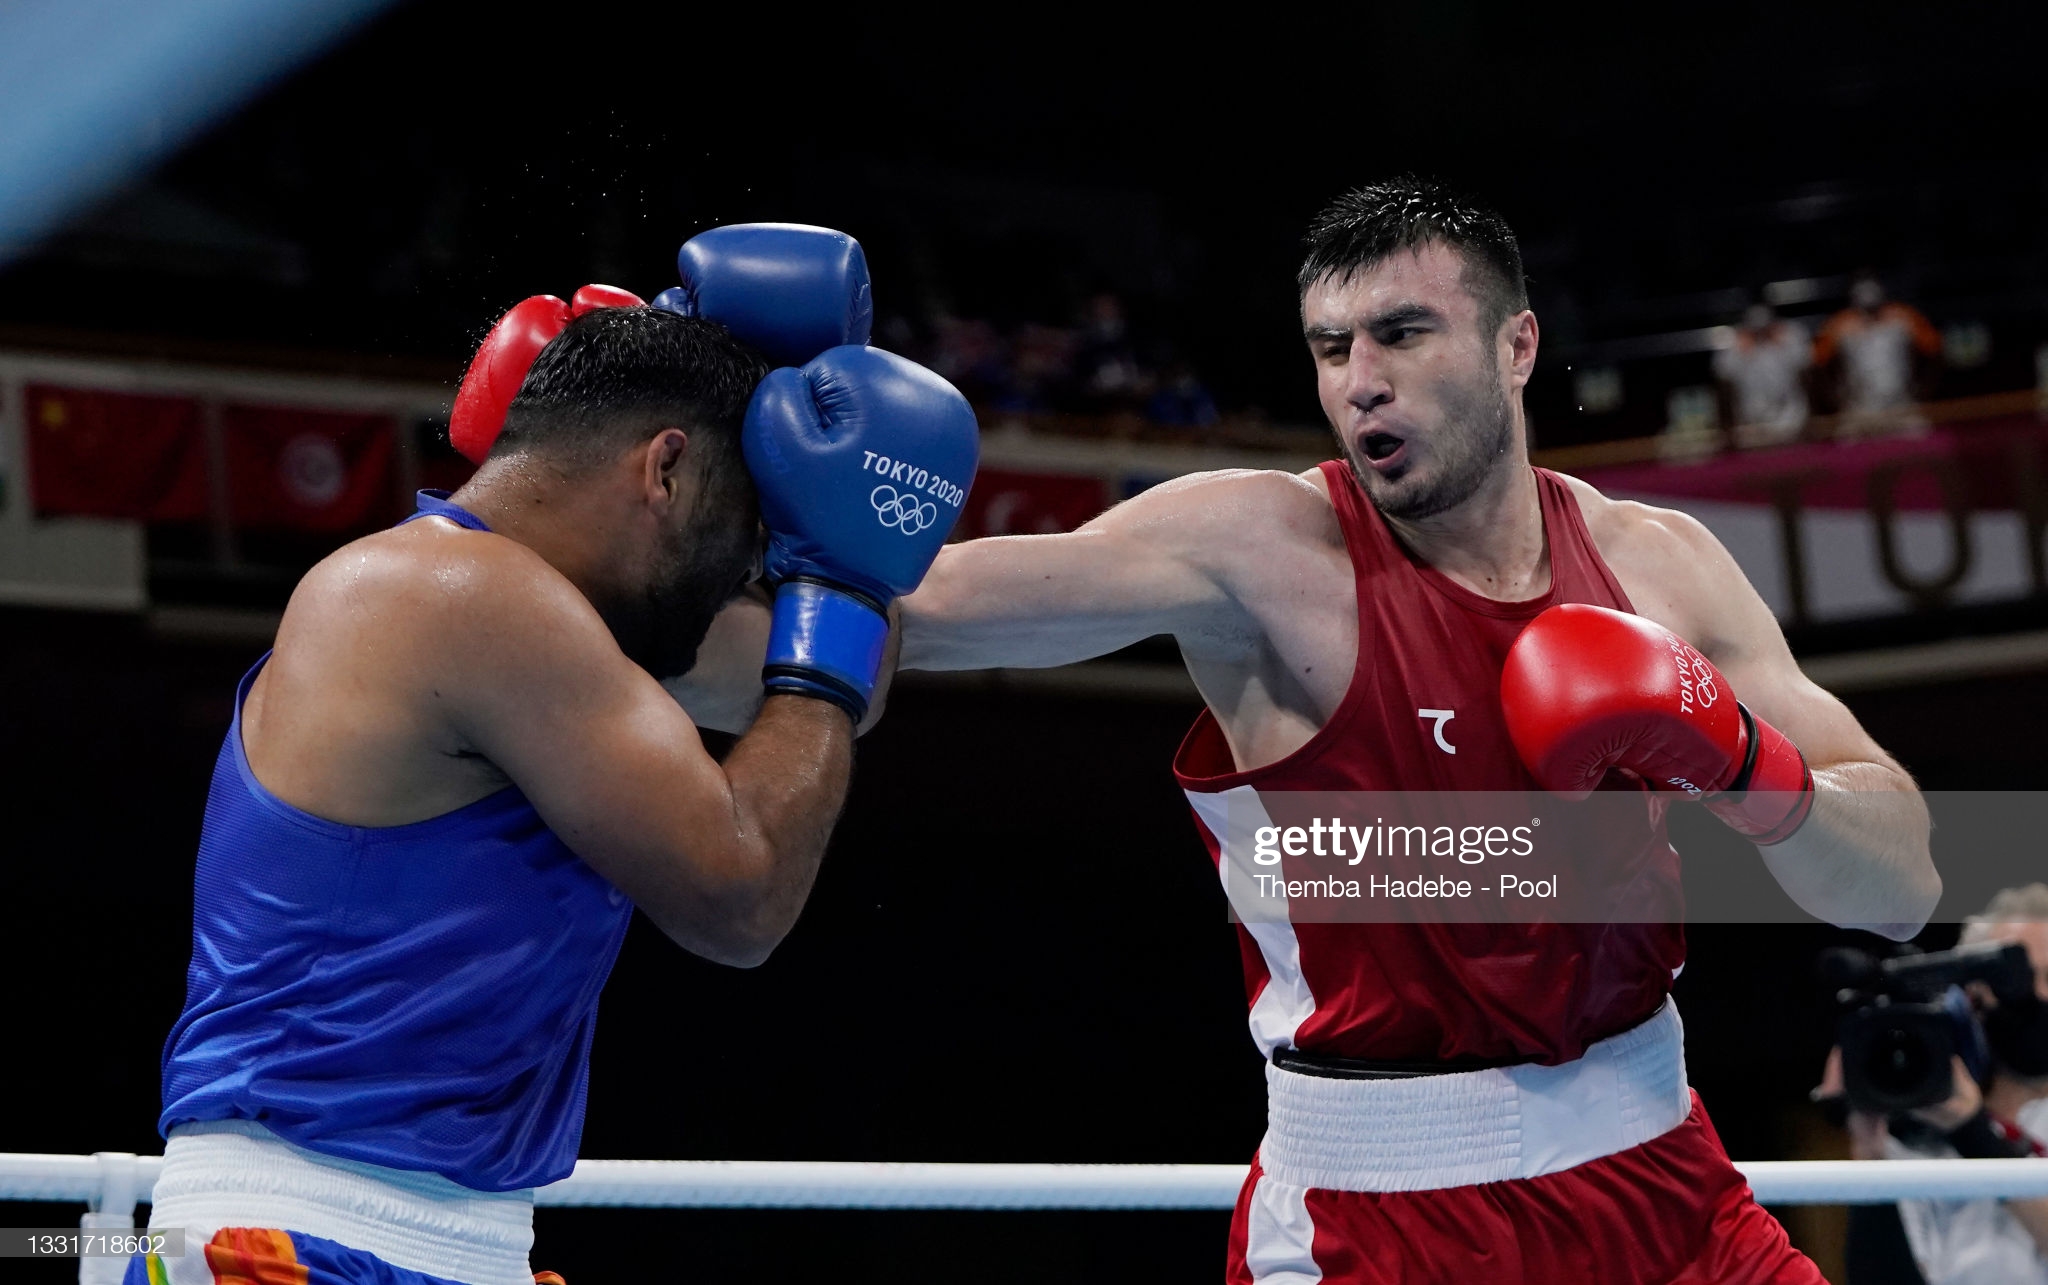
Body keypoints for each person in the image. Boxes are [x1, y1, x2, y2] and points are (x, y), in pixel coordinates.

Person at [885, 178, 1941, 1282]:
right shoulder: (1256, 551)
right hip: (1374, 1226)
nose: (1361, 382)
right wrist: (744, 526)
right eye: (1330, 347)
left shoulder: (1655, 566)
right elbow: (927, 614)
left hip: (1666, 1189)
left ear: (1515, 345)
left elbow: (1905, 883)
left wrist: (1737, 760)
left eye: (1400, 333)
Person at [130, 226, 980, 1285]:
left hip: (453, 1237)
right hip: (301, 1232)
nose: (738, 571)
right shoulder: (453, 596)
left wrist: (848, 582)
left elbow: (840, 685)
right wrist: (839, 593)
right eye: (740, 530)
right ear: (665, 467)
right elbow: (743, 891)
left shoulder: (544, 635)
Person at [1824, 883, 2048, 1285]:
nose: (2041, 993)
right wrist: (1870, 1155)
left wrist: (1972, 1131)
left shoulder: (1966, 1128)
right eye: (2023, 977)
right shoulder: (1920, 1144)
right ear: (1973, 996)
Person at [1813, 272, 1941, 436]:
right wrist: (1834, 399)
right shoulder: (1840, 324)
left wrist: (1925, 389)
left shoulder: (1902, 316)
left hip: (1902, 408)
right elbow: (1817, 363)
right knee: (1846, 449)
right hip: (1859, 412)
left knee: (1925, 444)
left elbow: (1934, 349)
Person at [1714, 300, 1813, 447]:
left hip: (1790, 420)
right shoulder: (1736, 341)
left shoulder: (1789, 334)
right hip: (1752, 424)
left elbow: (1807, 364)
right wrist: (1741, 348)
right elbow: (1722, 374)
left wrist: (1781, 341)